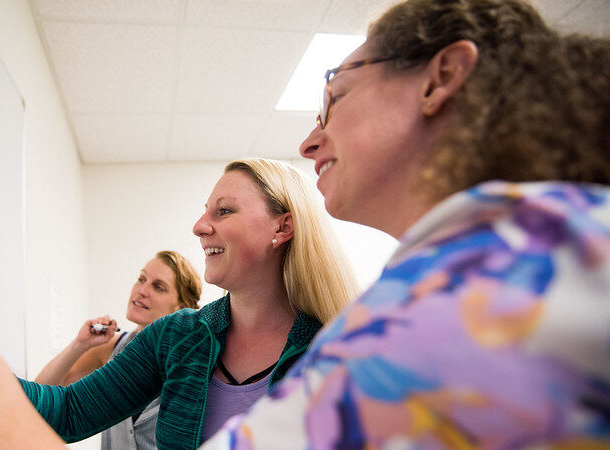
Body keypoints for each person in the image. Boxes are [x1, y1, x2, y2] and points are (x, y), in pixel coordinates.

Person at [201, 0, 610, 447]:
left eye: (336, 97)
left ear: (441, 78)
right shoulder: (563, 234)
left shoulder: (475, 287)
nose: (309, 143)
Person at [0, 157, 360, 449]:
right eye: (205, 211)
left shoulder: (342, 347)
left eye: (223, 210)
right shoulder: (177, 337)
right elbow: (63, 411)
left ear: (282, 227)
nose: (200, 226)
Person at [34, 250, 201, 450]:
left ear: (181, 308)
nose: (142, 290)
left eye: (158, 287)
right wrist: (80, 344)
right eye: (141, 279)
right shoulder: (112, 347)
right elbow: (41, 394)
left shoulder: (190, 365)